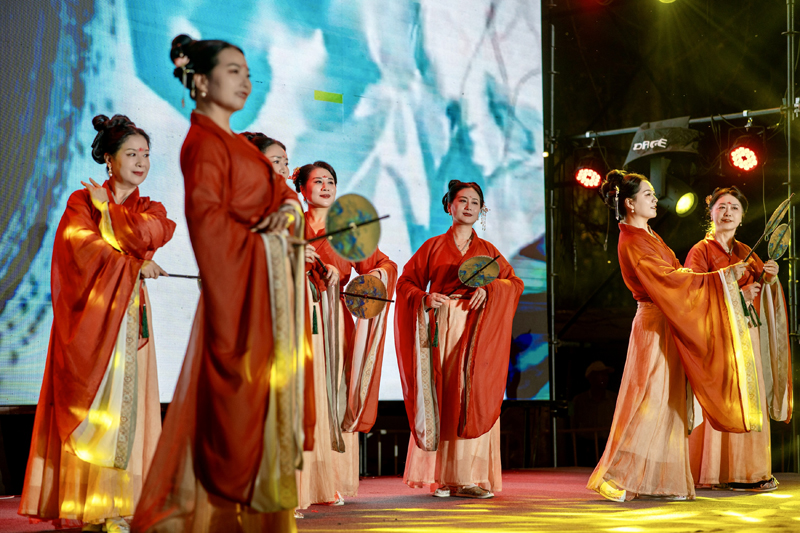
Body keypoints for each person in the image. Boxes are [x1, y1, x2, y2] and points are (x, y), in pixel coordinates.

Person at [131, 35, 312, 533]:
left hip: (263, 295)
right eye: (233, 71)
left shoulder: (239, 146)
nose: (245, 81)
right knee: (235, 416)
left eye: (247, 73)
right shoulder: (203, 143)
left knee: (259, 412)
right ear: (202, 82)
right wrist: (264, 243)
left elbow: (285, 198)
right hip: (241, 296)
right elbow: (207, 226)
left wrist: (286, 217)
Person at [19, 114, 176, 532]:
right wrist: (132, 263)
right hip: (91, 322)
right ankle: (91, 507)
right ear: (109, 158)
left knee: (127, 410)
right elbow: (79, 248)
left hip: (129, 320)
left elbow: (151, 233)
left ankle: (120, 507)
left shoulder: (150, 208)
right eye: (131, 153)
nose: (141, 162)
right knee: (93, 409)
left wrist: (111, 213)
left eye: (146, 154)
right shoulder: (81, 202)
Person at [587, 170, 761, 502]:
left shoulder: (649, 235)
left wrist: (727, 280)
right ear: (630, 203)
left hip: (669, 320)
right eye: (648, 194)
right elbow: (669, 281)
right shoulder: (632, 241)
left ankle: (660, 480)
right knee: (648, 399)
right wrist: (722, 278)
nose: (655, 199)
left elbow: (677, 275)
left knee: (669, 402)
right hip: (654, 323)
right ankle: (614, 476)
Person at [395, 180, 523, 499]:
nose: (468, 207)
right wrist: (425, 298)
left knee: (470, 395)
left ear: (481, 210)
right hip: (443, 327)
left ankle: (467, 477)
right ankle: (441, 477)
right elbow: (405, 282)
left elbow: (514, 282)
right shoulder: (433, 246)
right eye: (462, 201)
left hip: (476, 328)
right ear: (449, 206)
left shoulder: (489, 251)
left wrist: (489, 290)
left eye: (475, 202)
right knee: (445, 395)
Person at [292, 161, 397, 510]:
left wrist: (366, 279)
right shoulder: (290, 225)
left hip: (333, 317)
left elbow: (385, 265)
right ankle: (297, 481)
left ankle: (330, 480)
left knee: (333, 392)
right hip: (295, 313)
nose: (325, 187)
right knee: (300, 392)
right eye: (317, 181)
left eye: (331, 181)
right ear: (301, 188)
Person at [686, 187, 791, 492]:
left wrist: (770, 279)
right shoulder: (701, 251)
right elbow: (691, 293)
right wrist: (735, 291)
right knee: (723, 398)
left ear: (742, 216)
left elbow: (762, 293)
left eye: (734, 207)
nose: (728, 212)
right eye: (721, 207)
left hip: (748, 335)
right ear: (711, 213)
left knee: (750, 399)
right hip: (717, 337)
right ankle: (715, 470)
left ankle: (749, 472)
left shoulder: (746, 251)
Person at [571, 361, 617, 466]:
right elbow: (573, 422)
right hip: (587, 446)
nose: (603, 378)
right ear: (591, 378)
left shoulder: (614, 398)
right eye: (599, 375)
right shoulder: (578, 400)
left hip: (609, 444)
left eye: (605, 375)